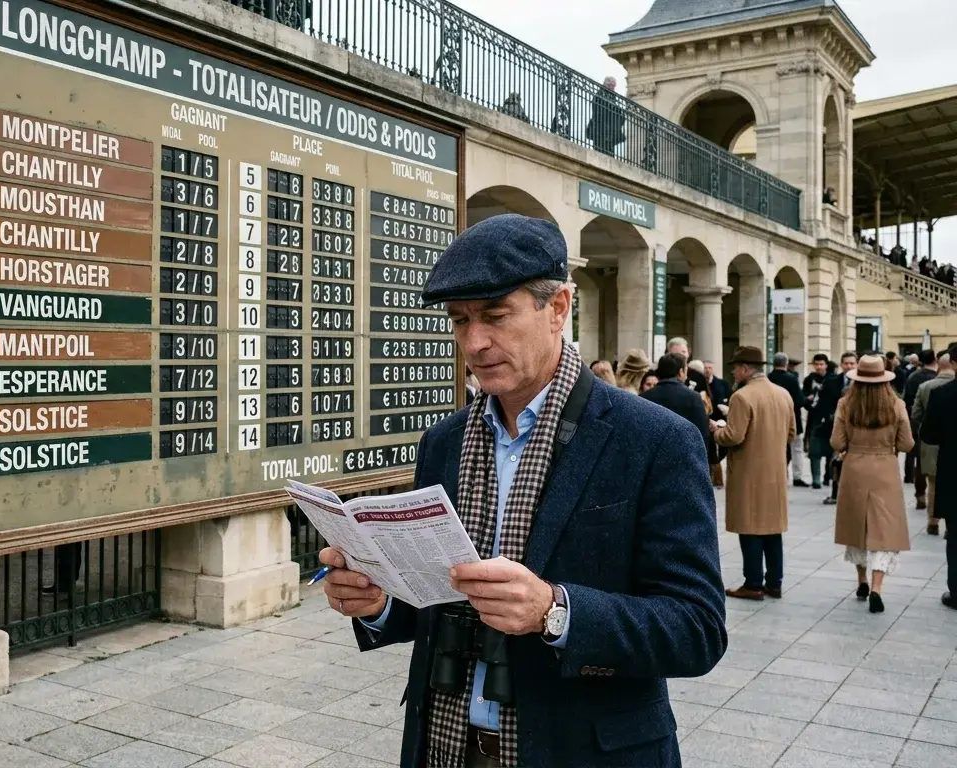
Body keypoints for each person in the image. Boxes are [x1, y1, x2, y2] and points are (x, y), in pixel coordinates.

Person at [324, 214, 727, 767]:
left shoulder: (654, 440)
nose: (475, 342)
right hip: (444, 747)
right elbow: (432, 607)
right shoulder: (443, 443)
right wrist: (378, 603)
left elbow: (696, 628)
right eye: (459, 320)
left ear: (558, 307)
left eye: (495, 316)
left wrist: (554, 612)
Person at [830, 355, 914, 614]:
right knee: (883, 529)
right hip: (885, 470)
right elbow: (906, 443)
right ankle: (877, 588)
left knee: (859, 527)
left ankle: (862, 581)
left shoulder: (846, 404)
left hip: (855, 467)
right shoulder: (896, 404)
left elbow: (836, 442)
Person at [712, 347, 796, 601]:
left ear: (746, 368)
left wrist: (716, 429)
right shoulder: (783, 394)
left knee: (749, 527)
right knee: (772, 529)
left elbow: (733, 435)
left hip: (749, 472)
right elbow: (791, 433)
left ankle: (753, 583)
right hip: (775, 472)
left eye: (735, 367)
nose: (733, 372)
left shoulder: (742, 396)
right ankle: (774, 582)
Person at [920, 355, 957, 610]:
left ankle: (956, 591)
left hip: (953, 472)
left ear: (952, 363)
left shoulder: (942, 394)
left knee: (955, 535)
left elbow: (929, 435)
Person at [642, 353, 714, 465]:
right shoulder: (693, 398)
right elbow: (701, 435)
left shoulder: (644, 397)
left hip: (652, 461)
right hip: (683, 461)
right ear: (681, 372)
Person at [913, 352, 953, 536]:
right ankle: (950, 522)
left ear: (939, 365)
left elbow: (916, 416)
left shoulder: (925, 387)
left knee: (934, 484)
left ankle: (933, 522)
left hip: (930, 444)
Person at [817, 352, 860, 503]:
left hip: (856, 429)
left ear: (857, 364)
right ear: (841, 364)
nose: (849, 366)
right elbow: (823, 402)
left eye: (852, 363)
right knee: (835, 460)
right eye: (846, 363)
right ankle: (835, 491)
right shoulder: (831, 381)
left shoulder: (862, 383)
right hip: (835, 426)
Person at [768, 352, 809, 487]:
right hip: (793, 419)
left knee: (775, 449)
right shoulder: (792, 379)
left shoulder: (768, 378)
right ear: (785, 364)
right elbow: (800, 400)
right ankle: (797, 476)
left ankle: (778, 475)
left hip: (772, 419)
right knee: (796, 448)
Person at [902, 350, 937, 500]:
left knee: (916, 457)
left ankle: (917, 489)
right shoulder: (936, 378)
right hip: (935, 425)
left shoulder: (913, 377)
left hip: (916, 423)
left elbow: (907, 400)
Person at [803, 354, 832, 489]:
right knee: (814, 449)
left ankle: (828, 476)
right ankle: (816, 478)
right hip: (814, 417)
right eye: (817, 364)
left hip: (829, 418)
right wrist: (808, 400)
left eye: (821, 364)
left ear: (826, 365)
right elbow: (803, 397)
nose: (819, 367)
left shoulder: (832, 379)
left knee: (830, 449)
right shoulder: (809, 379)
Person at [587, 76, 626, 157]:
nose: (612, 88)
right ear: (606, 84)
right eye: (610, 85)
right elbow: (599, 110)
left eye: (613, 86)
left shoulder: (612, 96)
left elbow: (614, 111)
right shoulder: (600, 94)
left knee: (609, 152)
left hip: (610, 130)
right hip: (600, 128)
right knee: (600, 150)